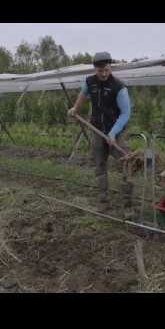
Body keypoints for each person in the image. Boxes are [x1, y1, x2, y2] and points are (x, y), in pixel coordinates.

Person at [67, 52, 134, 217]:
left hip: (116, 131)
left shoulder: (119, 87)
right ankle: (104, 201)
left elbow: (126, 114)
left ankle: (128, 205)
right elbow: (83, 95)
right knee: (99, 166)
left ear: (110, 67)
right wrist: (75, 109)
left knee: (126, 164)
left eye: (106, 70)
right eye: (100, 71)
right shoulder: (90, 82)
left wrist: (113, 133)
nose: (103, 74)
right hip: (97, 129)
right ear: (95, 69)